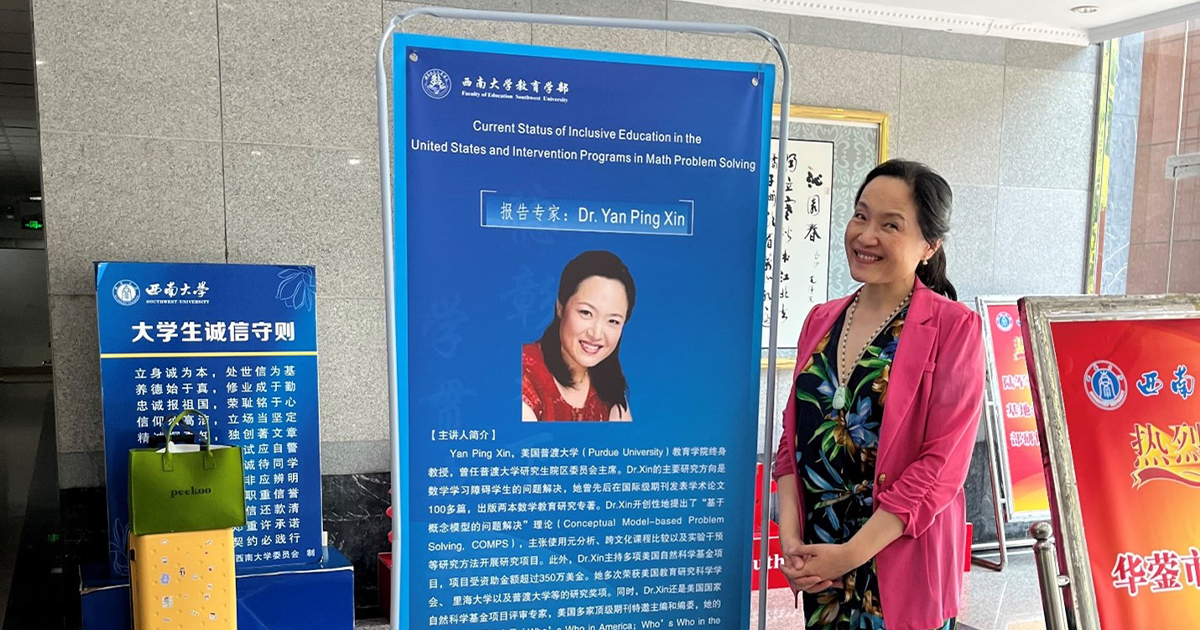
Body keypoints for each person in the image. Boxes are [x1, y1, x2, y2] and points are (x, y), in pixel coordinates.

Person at [773, 160, 984, 630]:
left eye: (891, 224)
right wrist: (791, 540)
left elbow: (940, 469)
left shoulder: (954, 329)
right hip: (820, 558)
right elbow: (791, 443)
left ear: (930, 245)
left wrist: (850, 555)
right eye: (861, 215)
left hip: (897, 559)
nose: (866, 235)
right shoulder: (820, 320)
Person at [522, 250, 635, 422]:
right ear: (560, 306)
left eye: (613, 321)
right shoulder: (523, 373)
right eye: (586, 312)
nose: (596, 334)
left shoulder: (610, 390)